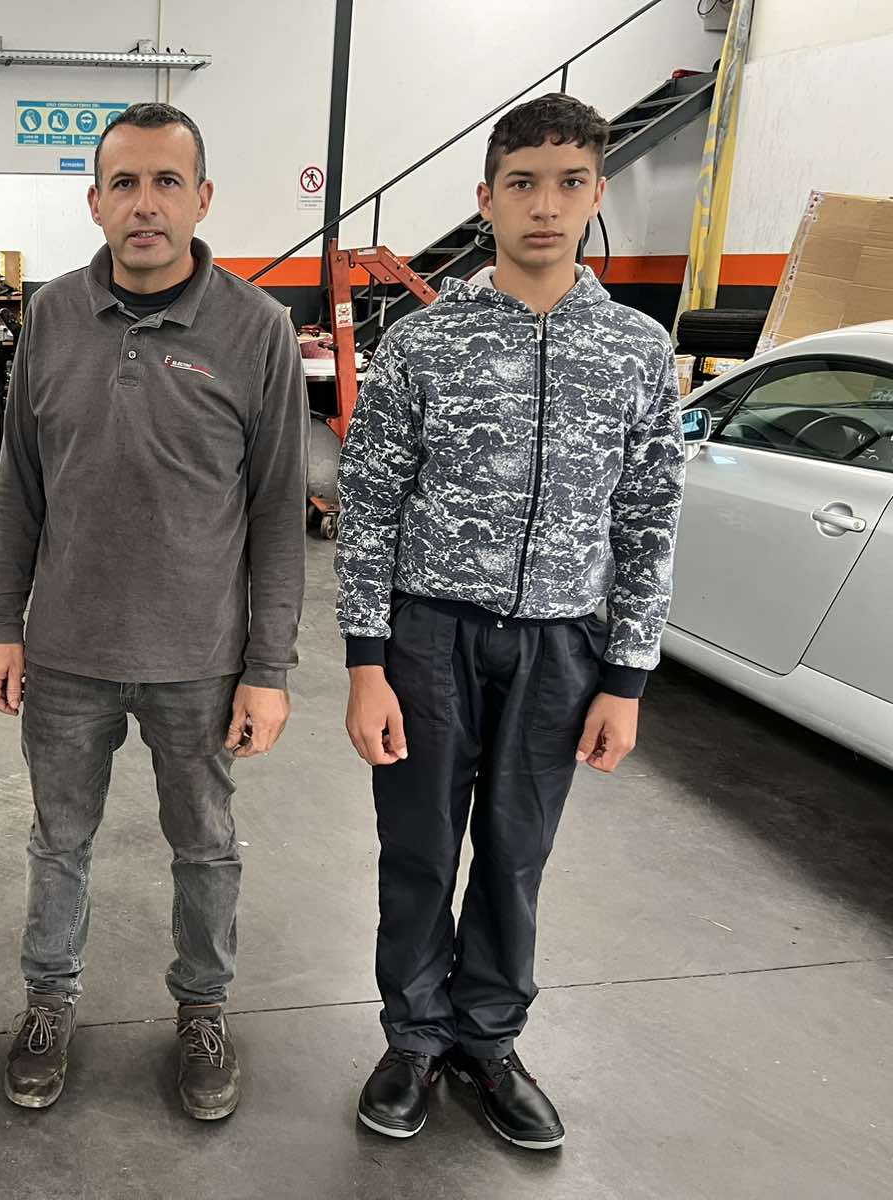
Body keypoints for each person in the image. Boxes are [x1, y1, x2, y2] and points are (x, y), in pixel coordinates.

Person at [338, 93, 685, 1149]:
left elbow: (648, 518)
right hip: (428, 637)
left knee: (515, 853)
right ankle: (413, 1037)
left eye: (569, 183)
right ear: (485, 198)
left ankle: (487, 1040)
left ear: (596, 193)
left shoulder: (635, 352)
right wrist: (365, 662)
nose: (545, 205)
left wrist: (626, 679)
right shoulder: (421, 345)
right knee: (417, 849)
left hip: (560, 646)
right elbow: (369, 506)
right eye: (522, 183)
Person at [0, 102, 308, 1120]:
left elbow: (277, 514)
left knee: (204, 848)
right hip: (66, 652)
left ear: (203, 199)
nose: (146, 204)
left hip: (198, 659)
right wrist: (0, 623)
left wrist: (268, 668)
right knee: (58, 842)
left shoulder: (257, 330)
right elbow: (19, 485)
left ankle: (203, 1009)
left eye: (168, 182)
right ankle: (48, 1002)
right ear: (95, 202)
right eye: (124, 183)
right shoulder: (50, 318)